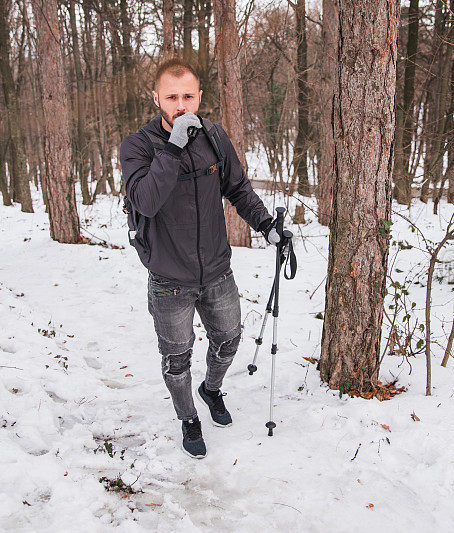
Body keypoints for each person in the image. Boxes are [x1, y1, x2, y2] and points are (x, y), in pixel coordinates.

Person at [119, 58, 282, 459]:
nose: (180, 104)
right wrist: (173, 146)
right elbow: (146, 200)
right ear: (156, 97)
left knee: (228, 340)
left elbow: (239, 189)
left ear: (199, 97)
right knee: (177, 359)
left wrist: (266, 226)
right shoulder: (137, 146)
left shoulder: (214, 136)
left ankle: (210, 390)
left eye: (187, 96)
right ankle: (188, 417)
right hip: (169, 277)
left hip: (216, 270)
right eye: (171, 96)